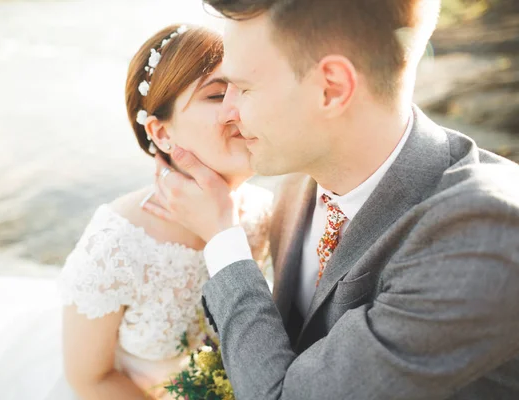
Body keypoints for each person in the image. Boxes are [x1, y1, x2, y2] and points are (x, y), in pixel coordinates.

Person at [144, 1, 519, 399]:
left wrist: (223, 239)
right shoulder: (295, 183)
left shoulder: (482, 234)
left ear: (332, 88)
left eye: (244, 88)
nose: (228, 112)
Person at [0, 24, 273, 400]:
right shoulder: (118, 239)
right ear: (162, 133)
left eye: (245, 90)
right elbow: (90, 379)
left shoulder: (265, 213)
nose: (240, 108)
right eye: (217, 95)